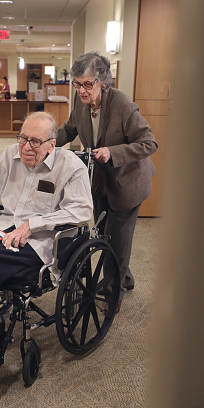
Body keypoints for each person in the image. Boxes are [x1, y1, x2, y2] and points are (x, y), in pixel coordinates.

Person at [0, 111, 93, 379]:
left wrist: (33, 224)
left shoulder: (71, 166)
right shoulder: (8, 156)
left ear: (52, 144)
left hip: (38, 242)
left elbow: (82, 210)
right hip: (0, 228)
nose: (26, 146)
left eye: (35, 141)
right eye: (23, 138)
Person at [56, 52, 157, 295]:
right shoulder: (81, 104)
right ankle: (126, 278)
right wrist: (45, 142)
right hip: (101, 182)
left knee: (117, 240)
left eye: (88, 84)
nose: (81, 90)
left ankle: (113, 293)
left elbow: (148, 143)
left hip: (128, 183)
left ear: (103, 82)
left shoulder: (121, 104)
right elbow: (69, 130)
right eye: (77, 84)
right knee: (103, 236)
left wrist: (112, 152)